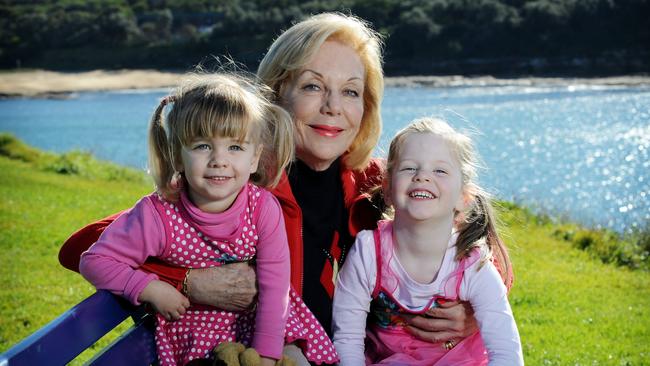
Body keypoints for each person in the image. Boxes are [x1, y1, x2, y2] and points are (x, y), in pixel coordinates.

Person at [59, 13, 496, 363]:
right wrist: (190, 282)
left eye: (350, 91)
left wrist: (473, 309)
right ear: (275, 96)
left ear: (367, 108)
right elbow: (81, 246)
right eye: (311, 86)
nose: (332, 107)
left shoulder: (371, 182)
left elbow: (473, 223)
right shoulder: (240, 181)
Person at [78, 73, 337, 365]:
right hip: (195, 340)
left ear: (254, 158)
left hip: (266, 328)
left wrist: (265, 357)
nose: (219, 160)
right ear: (177, 156)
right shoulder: (158, 214)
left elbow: (275, 287)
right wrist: (149, 287)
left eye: (235, 147)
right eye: (202, 146)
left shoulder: (263, 207)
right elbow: (94, 261)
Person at [332, 117, 523, 365]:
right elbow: (347, 337)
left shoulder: (472, 264)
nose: (422, 176)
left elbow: (506, 352)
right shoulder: (369, 252)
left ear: (464, 198)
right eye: (410, 167)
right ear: (388, 188)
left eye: (440, 170)